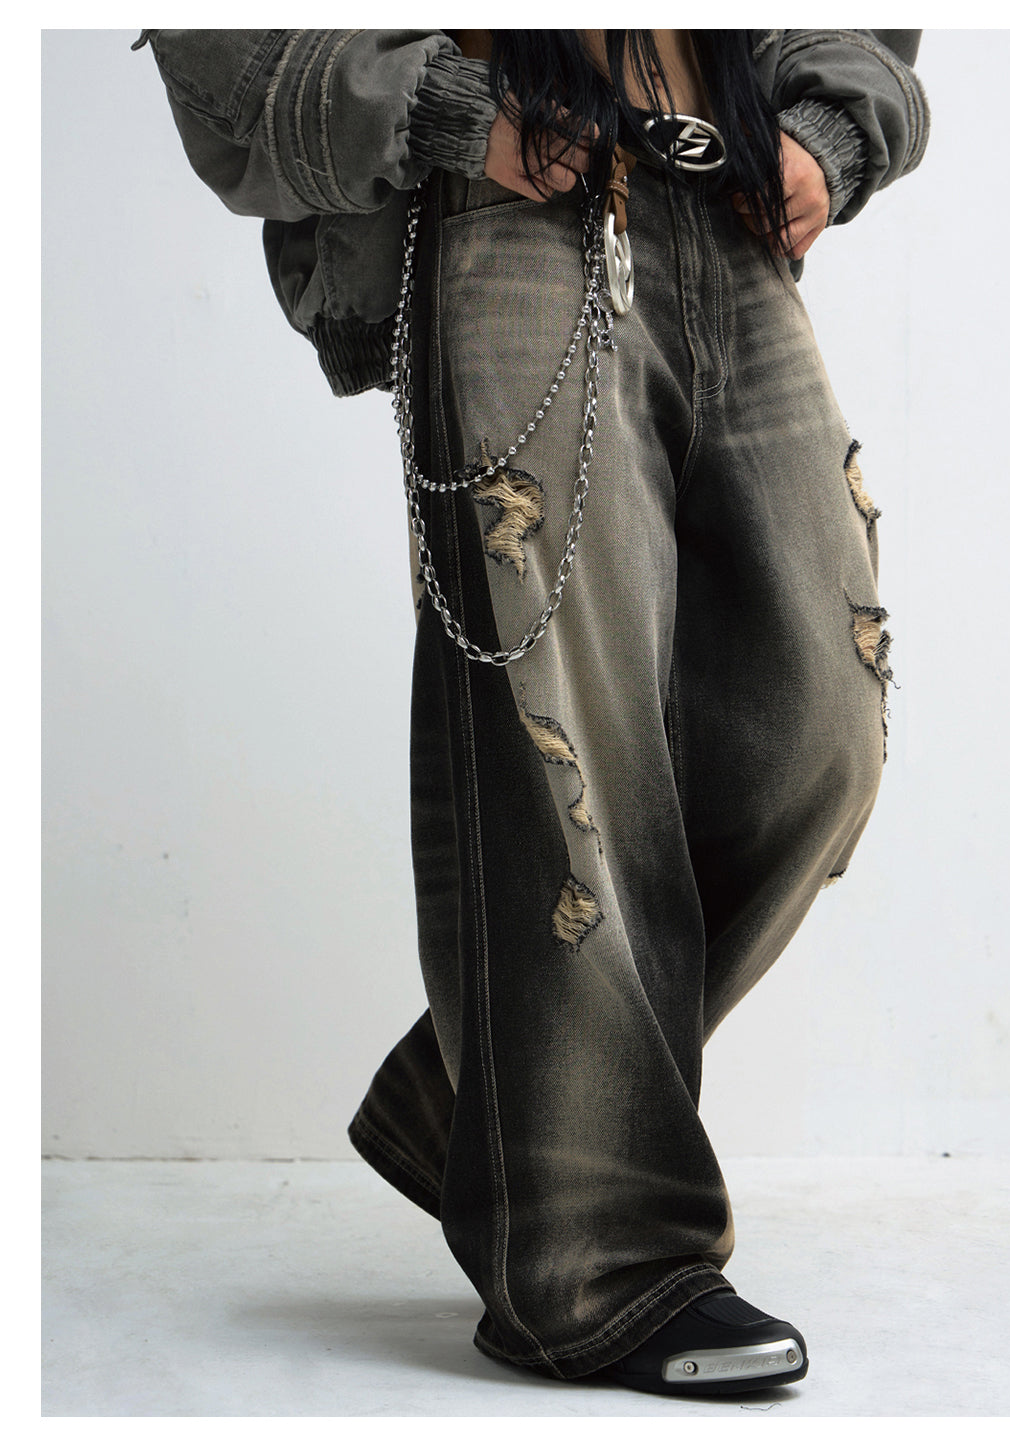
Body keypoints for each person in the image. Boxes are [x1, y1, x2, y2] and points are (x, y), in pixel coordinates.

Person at [138, 28, 929, 1398]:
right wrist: (442, 109)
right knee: (567, 743)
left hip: (729, 183)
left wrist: (833, 126)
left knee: (821, 729)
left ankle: (490, 1103)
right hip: (511, 187)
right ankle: (594, 1264)